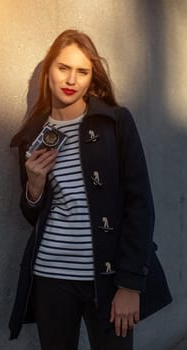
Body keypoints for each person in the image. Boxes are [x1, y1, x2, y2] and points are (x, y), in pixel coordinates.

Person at [9, 29, 172, 350]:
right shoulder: (32, 135)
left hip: (110, 278)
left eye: (82, 71)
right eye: (63, 68)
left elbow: (140, 205)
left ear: (91, 76)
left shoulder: (116, 122)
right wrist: (35, 187)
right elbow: (33, 215)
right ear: (49, 72)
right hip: (51, 276)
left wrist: (130, 285)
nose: (71, 79)